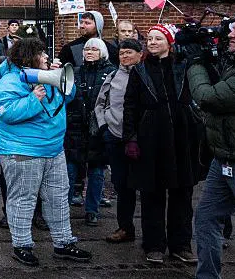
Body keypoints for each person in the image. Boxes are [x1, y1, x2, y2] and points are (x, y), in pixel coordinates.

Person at [0, 37, 91, 266]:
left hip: (53, 149)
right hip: (22, 150)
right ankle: (22, 245)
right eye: (42, 53)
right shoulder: (10, 81)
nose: (47, 57)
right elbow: (6, 113)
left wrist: (60, 79)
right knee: (23, 199)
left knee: (58, 197)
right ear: (29, 57)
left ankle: (64, 242)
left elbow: (69, 96)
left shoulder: (46, 77)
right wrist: (32, 99)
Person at [173, 14, 235, 279]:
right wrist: (205, 51)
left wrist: (194, 63)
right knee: (206, 219)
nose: (230, 35)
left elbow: (208, 96)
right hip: (224, 159)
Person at [123, 24, 201, 265]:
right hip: (151, 137)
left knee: (182, 193)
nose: (152, 42)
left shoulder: (183, 66)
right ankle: (154, 244)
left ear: (170, 42)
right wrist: (131, 138)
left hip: (180, 136)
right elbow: (130, 106)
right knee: (152, 194)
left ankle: (181, 244)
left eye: (158, 38)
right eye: (149, 39)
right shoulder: (140, 71)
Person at [95, 38, 143, 244]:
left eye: (129, 53)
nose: (124, 57)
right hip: (115, 137)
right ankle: (125, 227)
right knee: (122, 186)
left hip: (141, 140)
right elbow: (100, 103)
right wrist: (104, 126)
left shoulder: (145, 75)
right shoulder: (113, 76)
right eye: (122, 53)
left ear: (140, 54)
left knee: (146, 186)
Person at [64, 37, 114, 226]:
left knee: (96, 172)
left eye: (94, 49)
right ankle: (63, 207)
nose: (89, 52)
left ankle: (92, 210)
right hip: (75, 128)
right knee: (69, 170)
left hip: (98, 128)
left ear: (102, 52)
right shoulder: (75, 72)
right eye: (86, 49)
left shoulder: (111, 73)